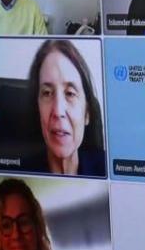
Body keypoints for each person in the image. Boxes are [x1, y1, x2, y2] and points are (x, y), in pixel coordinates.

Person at [22, 40, 105, 177]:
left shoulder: (106, 167)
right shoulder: (16, 174)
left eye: (70, 93)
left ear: (87, 113)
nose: (58, 111)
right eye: (47, 93)